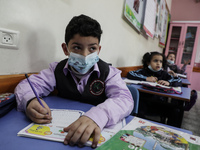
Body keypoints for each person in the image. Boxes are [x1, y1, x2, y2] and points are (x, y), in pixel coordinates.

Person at [14, 14, 133, 148]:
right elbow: (27, 85)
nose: (85, 55)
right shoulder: (56, 70)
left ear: (99, 50)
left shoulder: (108, 72)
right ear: (66, 49)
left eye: (92, 48)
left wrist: (98, 115)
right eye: (77, 47)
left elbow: (124, 98)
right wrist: (30, 101)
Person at [127, 51, 182, 127]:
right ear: (148, 63)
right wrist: (146, 78)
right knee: (138, 109)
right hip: (144, 102)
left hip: (158, 103)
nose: (158, 63)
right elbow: (130, 74)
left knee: (175, 111)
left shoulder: (164, 74)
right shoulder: (143, 71)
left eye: (161, 61)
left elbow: (178, 80)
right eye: (155, 61)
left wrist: (168, 82)